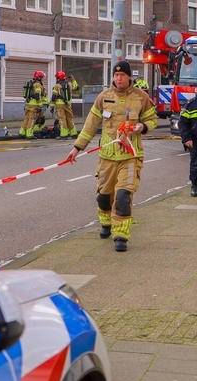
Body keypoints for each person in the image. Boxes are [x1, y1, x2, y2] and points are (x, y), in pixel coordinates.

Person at [66, 60, 157, 252]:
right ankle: (106, 223)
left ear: (129, 76)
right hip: (107, 157)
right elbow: (90, 124)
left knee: (123, 196)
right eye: (116, 75)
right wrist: (77, 148)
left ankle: (121, 235)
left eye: (122, 75)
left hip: (130, 156)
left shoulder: (141, 97)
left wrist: (143, 126)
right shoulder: (103, 97)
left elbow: (152, 119)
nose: (119, 78)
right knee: (104, 197)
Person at [20, 70, 47, 138]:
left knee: (27, 118)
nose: (43, 78)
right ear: (39, 77)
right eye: (42, 77)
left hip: (28, 104)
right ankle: (29, 134)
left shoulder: (32, 83)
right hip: (34, 105)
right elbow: (37, 96)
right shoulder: (38, 85)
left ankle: (22, 132)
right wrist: (41, 105)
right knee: (32, 119)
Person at [51, 70, 77, 137]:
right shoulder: (70, 84)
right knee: (69, 118)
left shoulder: (57, 86)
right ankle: (73, 133)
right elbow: (76, 87)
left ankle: (64, 134)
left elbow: (53, 97)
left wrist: (52, 106)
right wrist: (73, 79)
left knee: (62, 119)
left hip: (60, 105)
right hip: (68, 104)